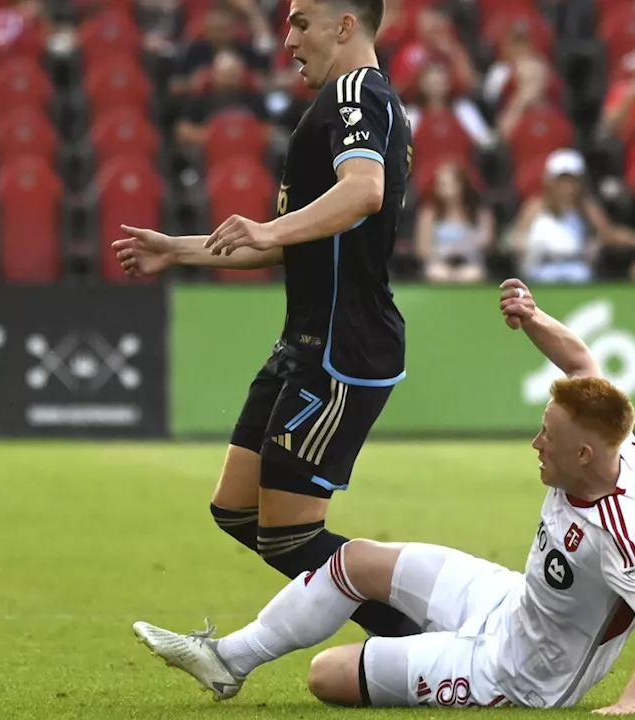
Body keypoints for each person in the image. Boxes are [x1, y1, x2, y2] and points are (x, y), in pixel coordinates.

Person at [133, 278, 635, 714]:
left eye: (549, 437)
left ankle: (436, 651)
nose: (536, 443)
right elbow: (582, 365)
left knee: (325, 674)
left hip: (520, 673)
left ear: (585, 456)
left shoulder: (622, 527)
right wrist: (532, 317)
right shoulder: (616, 442)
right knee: (350, 562)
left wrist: (631, 704)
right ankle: (225, 660)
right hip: (509, 602)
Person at [112, 0, 420, 639]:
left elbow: (364, 191)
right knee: (237, 510)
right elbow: (290, 241)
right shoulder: (335, 105)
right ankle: (415, 630)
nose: (287, 40)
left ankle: (425, 627)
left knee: (286, 533)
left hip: (344, 345)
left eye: (300, 22)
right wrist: (180, 249)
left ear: (344, 26)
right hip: (303, 342)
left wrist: (269, 225)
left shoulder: (359, 92)